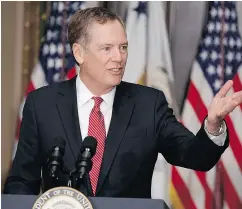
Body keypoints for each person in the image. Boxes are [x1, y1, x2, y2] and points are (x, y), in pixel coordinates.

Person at [4, 7, 242, 198]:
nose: (119, 58)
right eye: (107, 48)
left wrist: (212, 125)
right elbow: (21, 182)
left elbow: (194, 156)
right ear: (79, 53)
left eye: (123, 47)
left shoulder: (149, 104)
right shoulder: (42, 104)